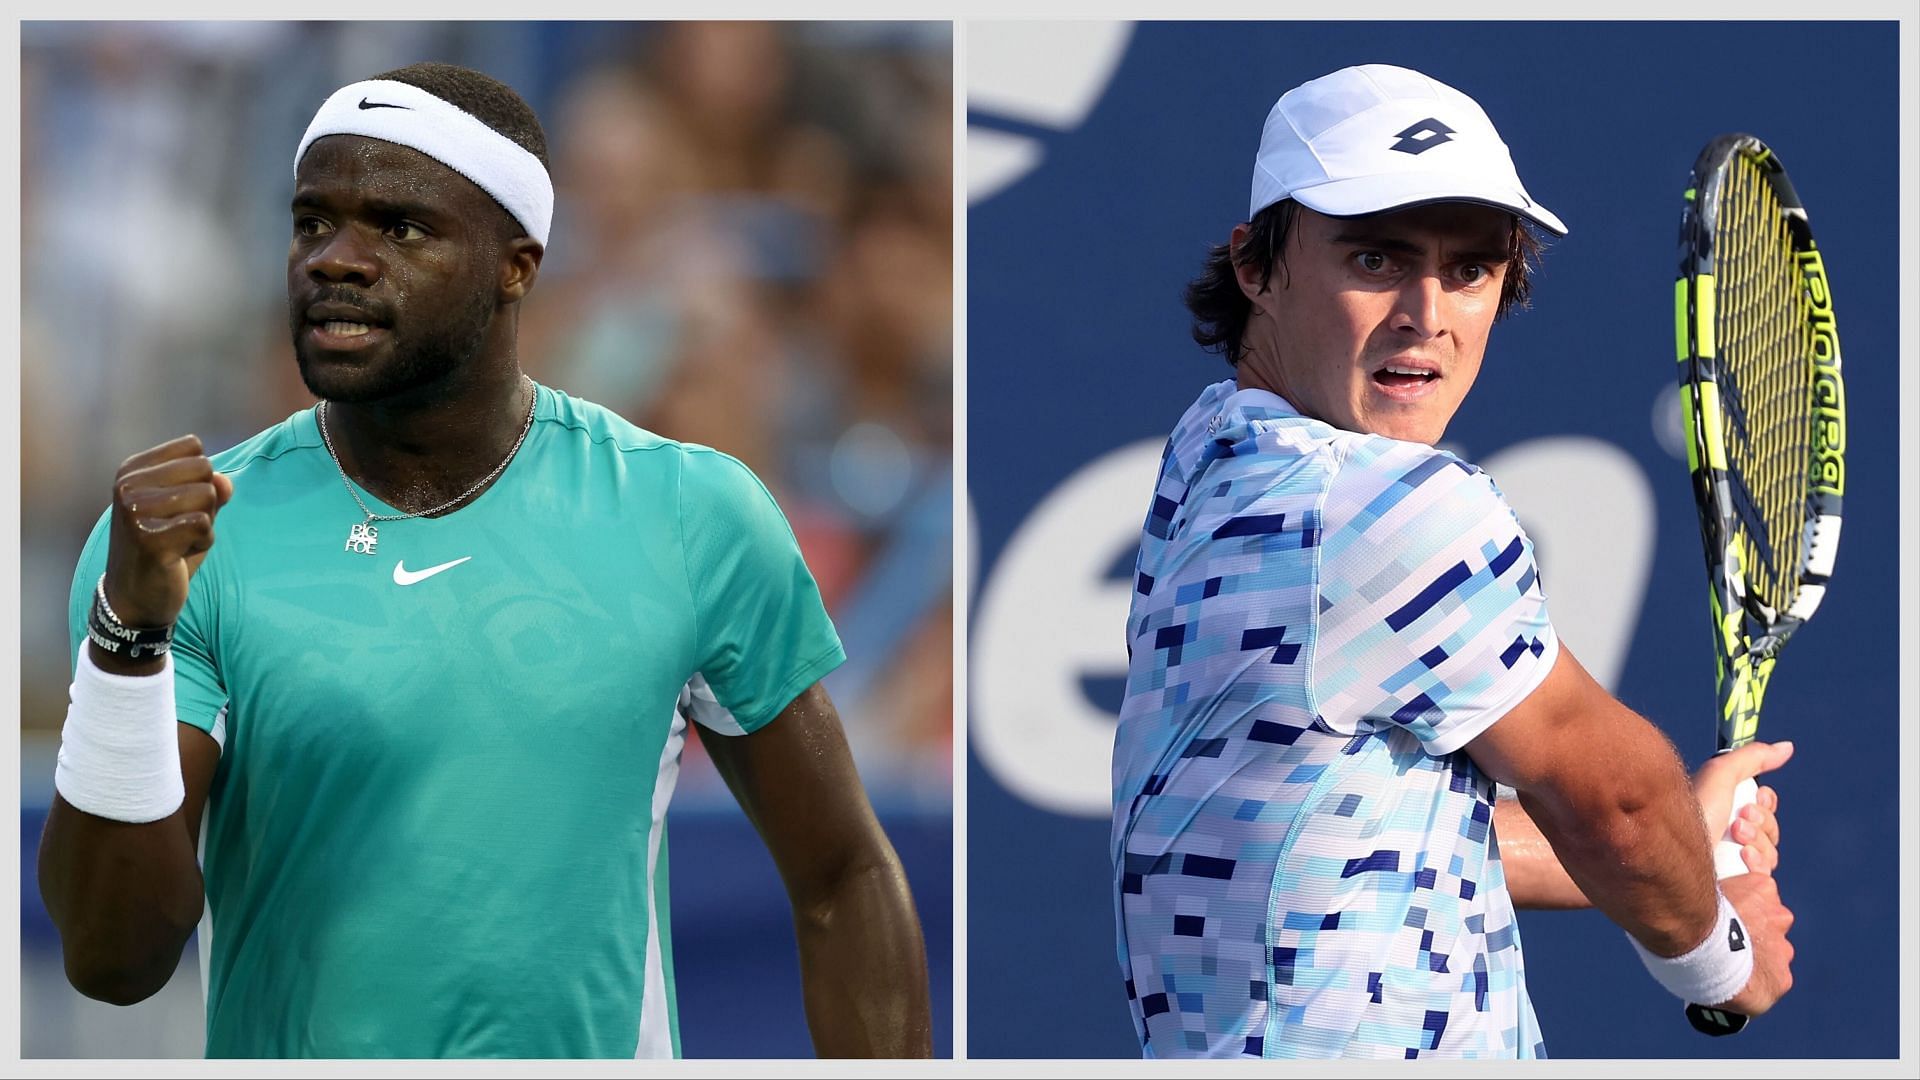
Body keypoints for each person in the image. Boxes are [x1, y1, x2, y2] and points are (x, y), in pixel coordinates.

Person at [38, 61, 932, 1060]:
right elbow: (113, 960)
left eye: (399, 226)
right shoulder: (190, 544)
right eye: (311, 223)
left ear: (517, 263)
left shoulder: (694, 514)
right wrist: (128, 637)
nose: (336, 258)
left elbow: (844, 877)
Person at [1109, 63, 1794, 1059]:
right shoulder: (1387, 506)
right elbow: (1613, 803)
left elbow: (1363, 829)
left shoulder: (1213, 455)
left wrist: (1689, 840)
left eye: (1469, 270)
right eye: (1377, 260)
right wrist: (1719, 954)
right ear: (1255, 264)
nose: (1427, 313)